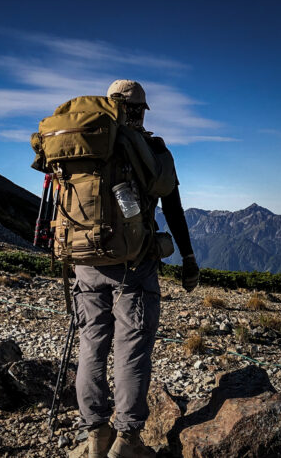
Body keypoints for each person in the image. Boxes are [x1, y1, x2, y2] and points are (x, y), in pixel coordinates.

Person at [74, 80, 200, 458]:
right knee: (131, 349)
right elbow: (173, 207)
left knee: (91, 345)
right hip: (133, 265)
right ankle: (126, 441)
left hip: (84, 262)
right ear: (140, 110)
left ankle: (95, 435)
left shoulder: (82, 143)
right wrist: (189, 259)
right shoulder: (150, 149)